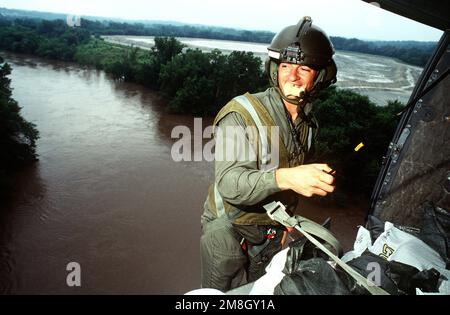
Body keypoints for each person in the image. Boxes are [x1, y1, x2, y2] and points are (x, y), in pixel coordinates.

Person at [200, 16, 338, 291]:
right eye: (285, 66)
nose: (292, 76)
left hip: (272, 230)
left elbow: (293, 177)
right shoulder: (241, 113)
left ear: (320, 77)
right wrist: (286, 178)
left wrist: (287, 220)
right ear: (274, 69)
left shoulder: (309, 125)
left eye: (304, 69)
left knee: (262, 291)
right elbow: (230, 183)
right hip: (229, 228)